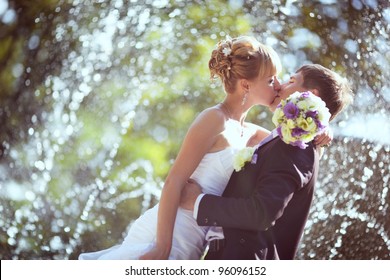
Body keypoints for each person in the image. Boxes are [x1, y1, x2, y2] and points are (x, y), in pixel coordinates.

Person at [78, 35, 286, 260]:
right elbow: (173, 182)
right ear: (245, 84)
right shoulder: (214, 119)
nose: (278, 85)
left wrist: (309, 120)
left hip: (194, 241)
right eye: (270, 80)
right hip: (168, 234)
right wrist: (162, 247)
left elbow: (289, 139)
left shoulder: (250, 132)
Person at [180, 63, 353, 260]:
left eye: (291, 81)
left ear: (311, 96)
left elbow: (261, 213)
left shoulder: (296, 146)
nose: (279, 86)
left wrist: (198, 202)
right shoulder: (282, 139)